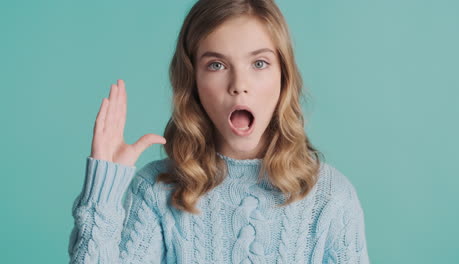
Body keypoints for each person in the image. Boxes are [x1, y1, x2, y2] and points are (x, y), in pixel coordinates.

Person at [68, 0, 370, 263]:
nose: (239, 84)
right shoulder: (156, 190)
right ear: (193, 82)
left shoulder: (331, 197)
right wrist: (103, 194)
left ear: (283, 77)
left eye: (260, 63)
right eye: (216, 65)